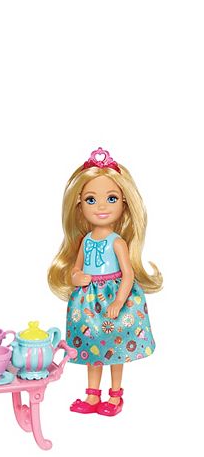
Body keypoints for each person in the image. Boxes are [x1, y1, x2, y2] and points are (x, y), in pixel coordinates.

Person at [47, 147, 162, 417]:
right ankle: (92, 394)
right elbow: (76, 268)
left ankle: (115, 395)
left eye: (111, 198)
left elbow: (128, 274)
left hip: (112, 297)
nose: (101, 206)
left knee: (115, 347)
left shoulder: (117, 242)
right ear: (79, 205)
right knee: (92, 347)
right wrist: (77, 276)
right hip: (87, 301)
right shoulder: (85, 240)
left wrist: (119, 301)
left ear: (124, 203)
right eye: (91, 199)